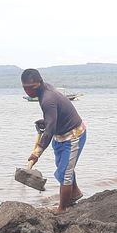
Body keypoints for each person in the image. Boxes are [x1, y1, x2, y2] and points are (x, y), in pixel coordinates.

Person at [21, 68, 86, 213]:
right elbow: (53, 118)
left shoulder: (47, 98)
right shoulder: (43, 90)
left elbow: (50, 129)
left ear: (39, 83)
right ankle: (75, 193)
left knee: (65, 174)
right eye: (25, 88)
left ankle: (62, 209)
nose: (28, 91)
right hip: (60, 135)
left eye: (30, 88)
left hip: (73, 135)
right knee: (63, 166)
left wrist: (37, 152)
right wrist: (45, 121)